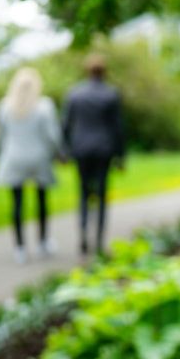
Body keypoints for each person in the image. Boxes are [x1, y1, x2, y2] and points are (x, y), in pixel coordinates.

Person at [0, 67, 63, 264]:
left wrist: (1, 155)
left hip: (13, 157)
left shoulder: (5, 106)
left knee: (17, 203)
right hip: (38, 158)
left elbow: (0, 136)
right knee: (41, 200)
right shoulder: (44, 106)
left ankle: (20, 248)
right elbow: (52, 136)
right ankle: (42, 242)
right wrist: (58, 153)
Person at [63, 53, 124, 256]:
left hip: (80, 149)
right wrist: (121, 156)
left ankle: (82, 234)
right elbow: (118, 128)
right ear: (104, 71)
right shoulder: (111, 94)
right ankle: (98, 240)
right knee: (101, 193)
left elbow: (66, 124)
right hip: (103, 150)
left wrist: (65, 149)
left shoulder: (75, 93)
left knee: (83, 193)